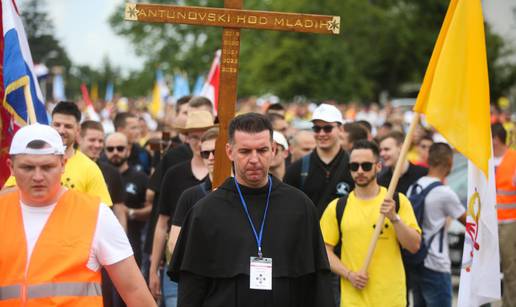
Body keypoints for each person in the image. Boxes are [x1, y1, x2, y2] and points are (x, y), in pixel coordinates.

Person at [169, 113, 335, 307]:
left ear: (273, 150)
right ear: (230, 152)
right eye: (245, 151)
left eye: (262, 150)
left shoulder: (300, 206)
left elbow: (318, 284)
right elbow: (191, 289)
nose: (254, 159)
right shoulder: (205, 212)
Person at [0, 123, 156, 306]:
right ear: (11, 167)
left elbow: (135, 291)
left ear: (63, 164)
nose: (38, 177)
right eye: (27, 168)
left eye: (47, 167)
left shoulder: (95, 214)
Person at [320, 140, 421, 307]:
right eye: (354, 166)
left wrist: (394, 218)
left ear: (378, 166)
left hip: (392, 300)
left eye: (366, 166)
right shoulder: (338, 207)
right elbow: (324, 251)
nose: (360, 171)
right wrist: (349, 274)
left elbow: (414, 245)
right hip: (353, 301)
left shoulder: (397, 201)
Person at [149, 110, 214, 305]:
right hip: (178, 264)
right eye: (194, 137)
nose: (199, 142)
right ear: (186, 138)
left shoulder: (227, 177)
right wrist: (153, 270)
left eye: (204, 136)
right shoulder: (174, 173)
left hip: (212, 266)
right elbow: (162, 224)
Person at [3, 101, 112, 207]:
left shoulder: (90, 168)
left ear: (78, 130)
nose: (61, 130)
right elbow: (5, 196)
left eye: (68, 126)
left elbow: (102, 210)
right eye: (57, 125)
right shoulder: (34, 161)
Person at [406, 143, 466, 307]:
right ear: (449, 162)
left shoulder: (415, 186)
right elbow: (468, 222)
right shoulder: (444, 192)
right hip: (437, 264)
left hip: (417, 260)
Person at [284, 103, 353, 214]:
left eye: (327, 128)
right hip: (309, 231)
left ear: (341, 129)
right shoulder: (297, 169)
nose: (321, 133)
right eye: (317, 128)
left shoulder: (355, 166)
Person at [166, 128, 219, 257]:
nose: (211, 157)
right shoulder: (189, 195)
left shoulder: (242, 191)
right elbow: (173, 243)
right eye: (206, 154)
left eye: (216, 152)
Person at [105, 132, 151, 266]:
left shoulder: (140, 177)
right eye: (110, 149)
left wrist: (131, 212)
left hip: (133, 244)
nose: (115, 152)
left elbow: (152, 208)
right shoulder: (97, 174)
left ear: (128, 150)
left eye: (120, 148)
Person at [492, 123, 516, 306]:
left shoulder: (513, 159)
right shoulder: (485, 160)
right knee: (485, 268)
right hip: (488, 222)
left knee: (510, 269)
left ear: (496, 139)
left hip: (509, 222)